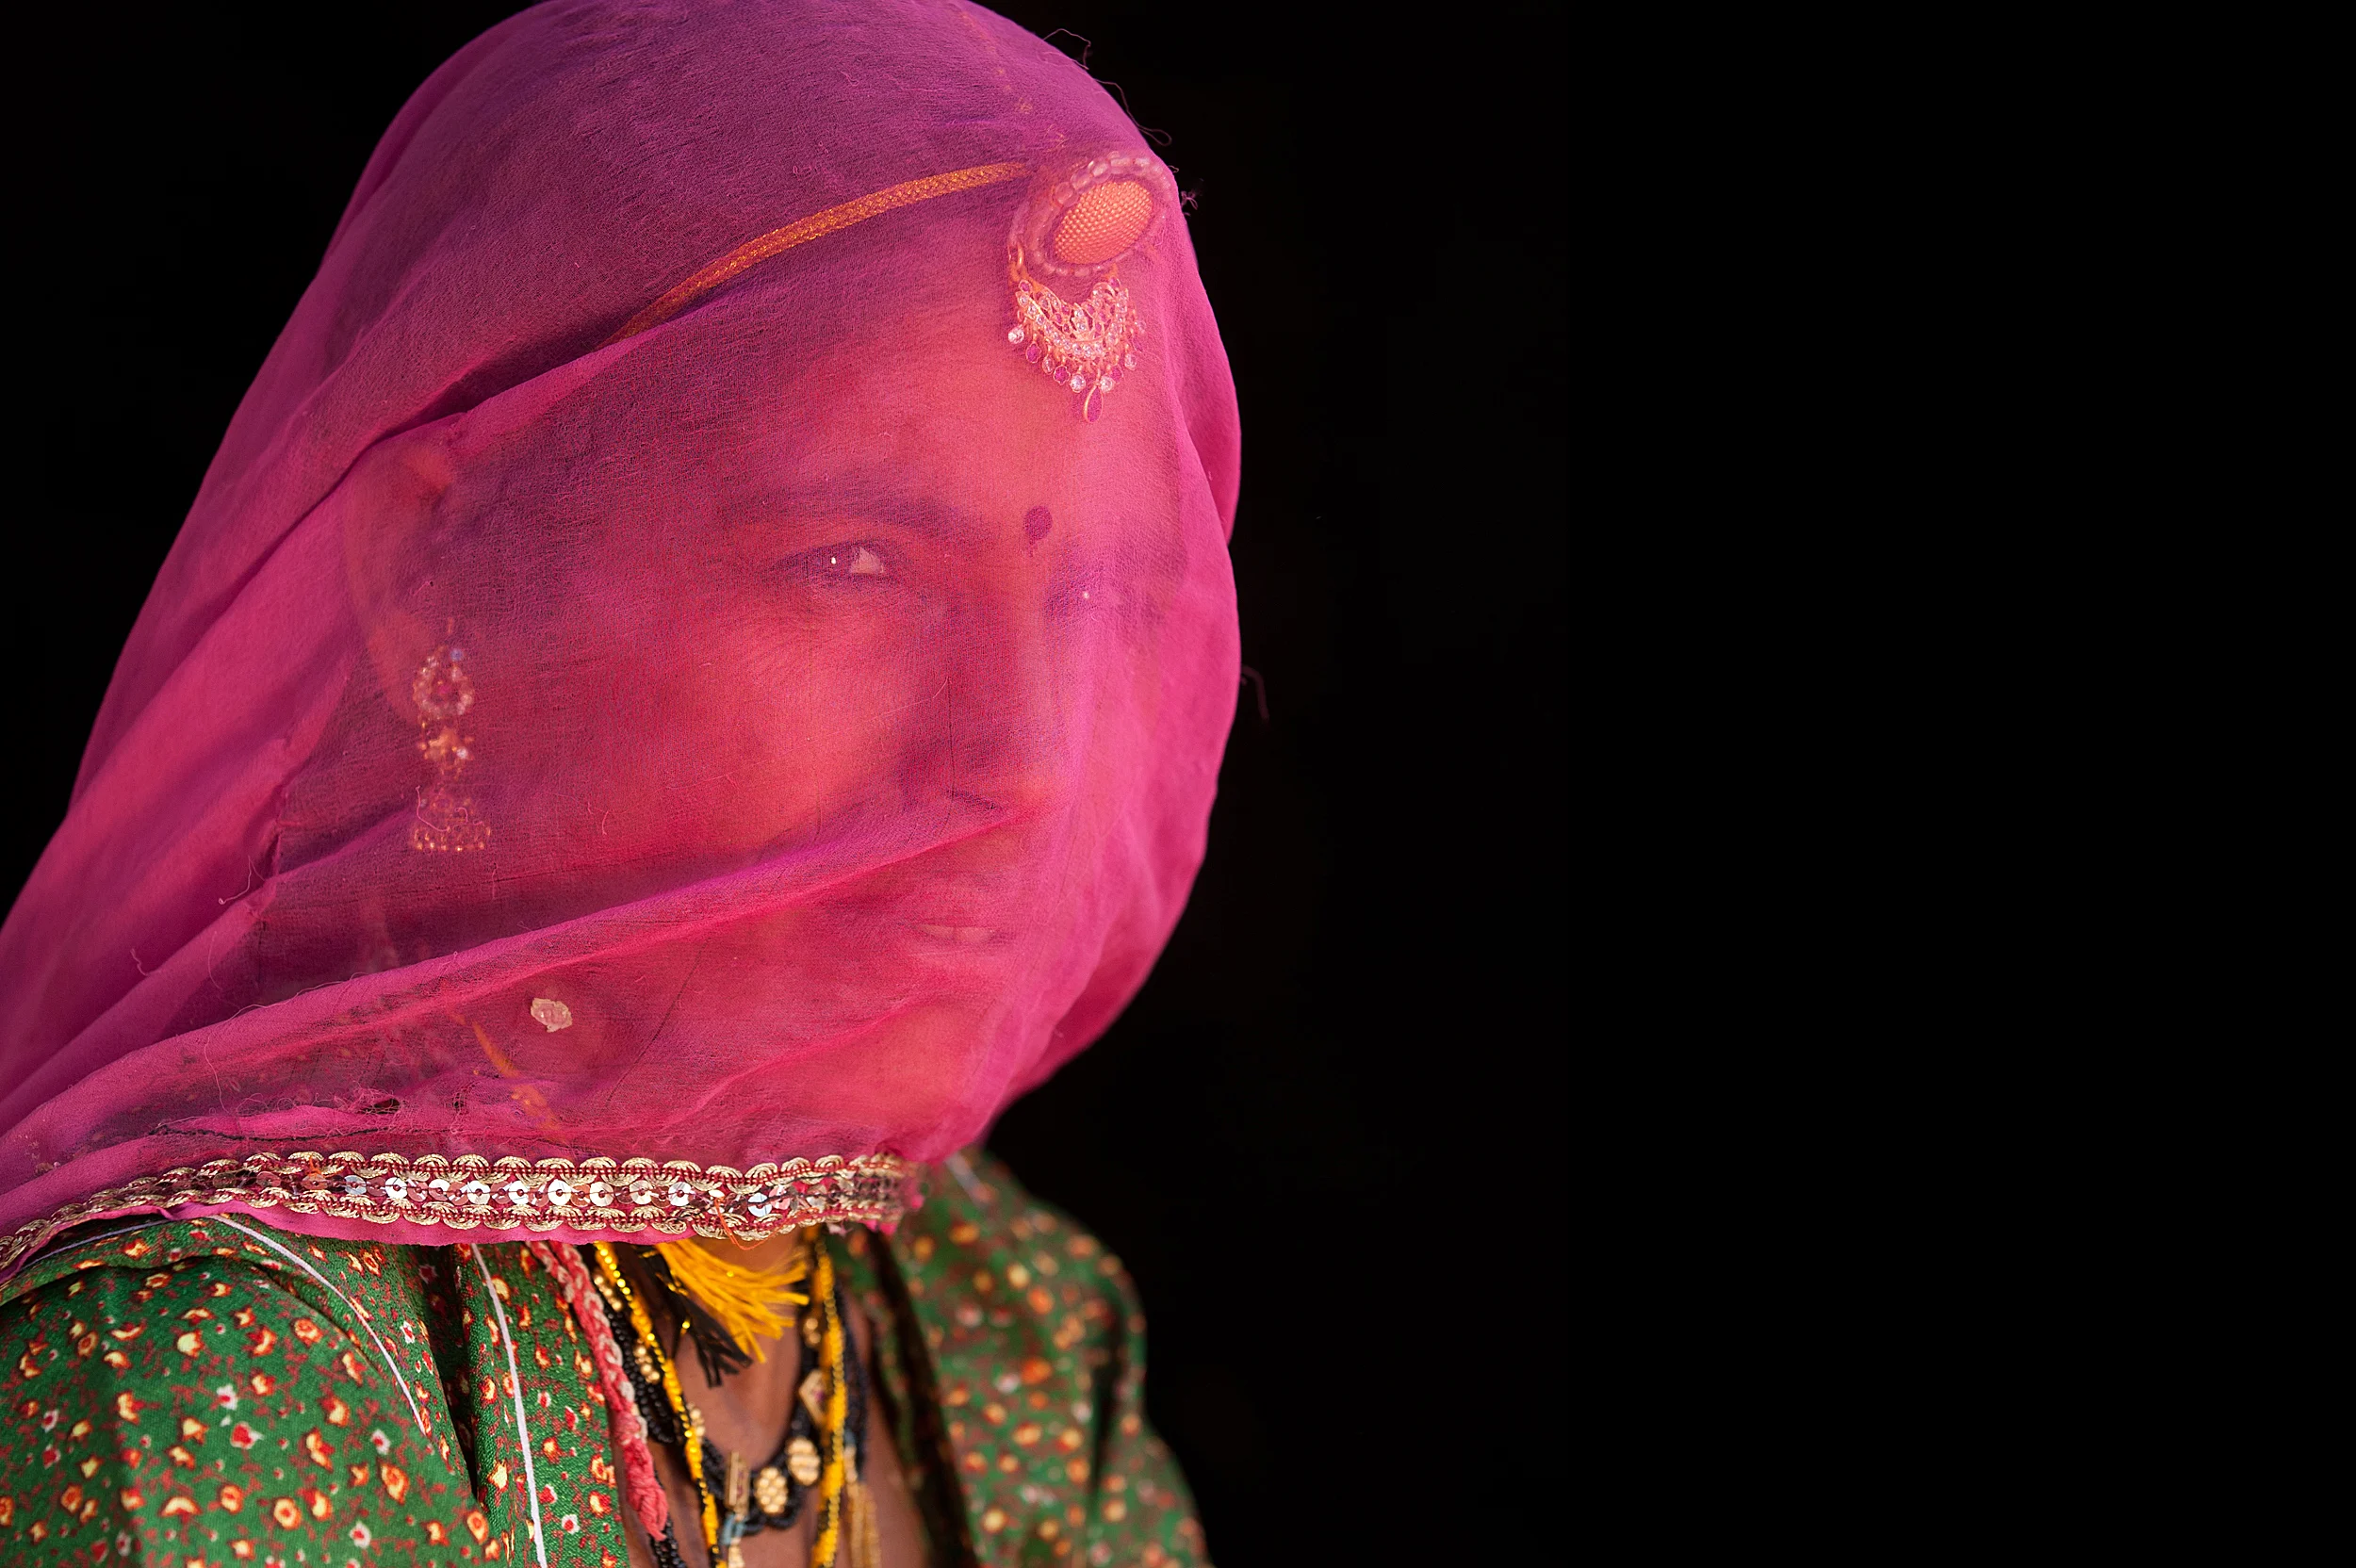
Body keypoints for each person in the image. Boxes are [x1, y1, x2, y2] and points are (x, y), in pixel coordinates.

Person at [0, 3, 1240, 1563]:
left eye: (1099, 597)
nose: (1028, 764)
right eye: (856, 565)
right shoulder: (213, 1373)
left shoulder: (1009, 1321)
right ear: (433, 569)